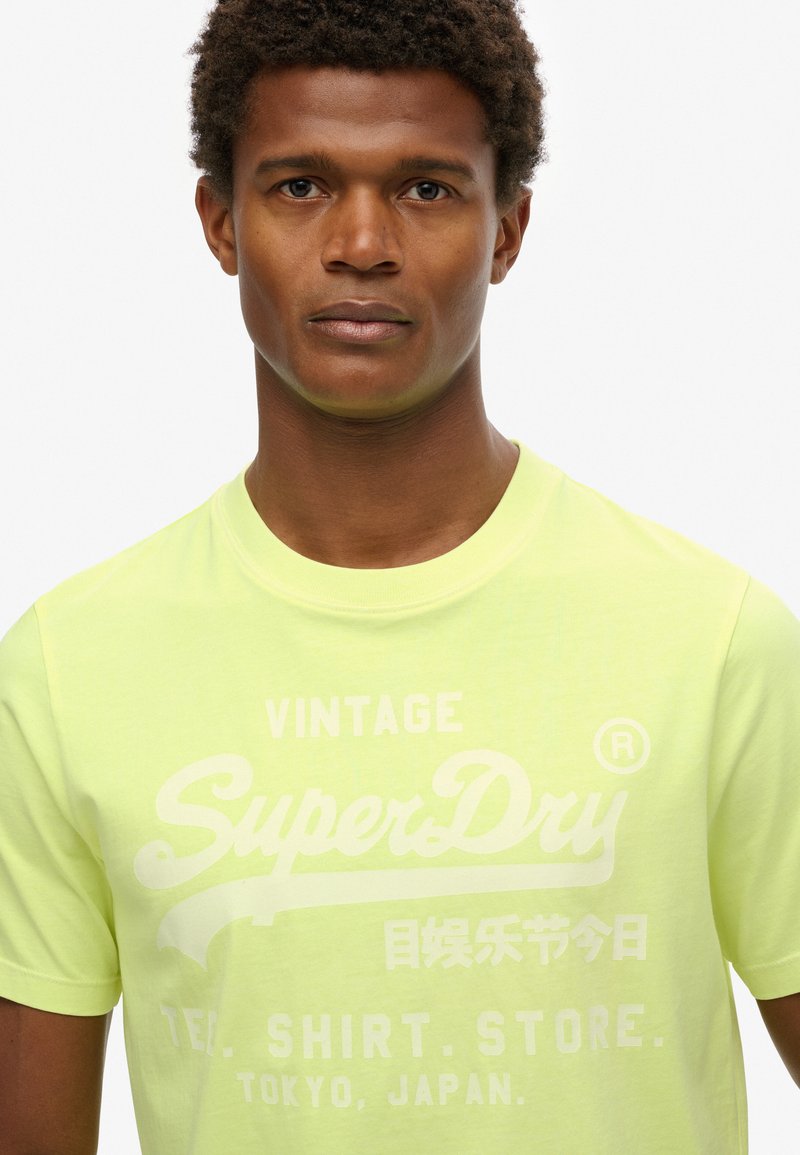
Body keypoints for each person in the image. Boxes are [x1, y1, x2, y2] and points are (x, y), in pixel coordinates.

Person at [1, 0, 798, 1150]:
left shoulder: (712, 640)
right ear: (220, 224)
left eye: (425, 188)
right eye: (299, 186)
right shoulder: (70, 668)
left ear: (506, 231)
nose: (362, 243)